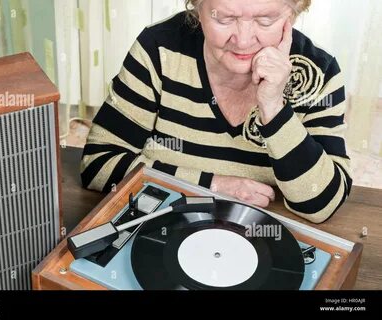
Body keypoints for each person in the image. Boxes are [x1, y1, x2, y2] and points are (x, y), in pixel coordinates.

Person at [80, 0, 352, 224]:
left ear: (293, 13)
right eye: (224, 18)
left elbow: (321, 203)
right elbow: (99, 164)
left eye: (265, 21)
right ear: (197, 9)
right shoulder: (158, 48)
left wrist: (273, 107)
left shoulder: (319, 73)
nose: (243, 41)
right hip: (163, 228)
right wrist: (212, 185)